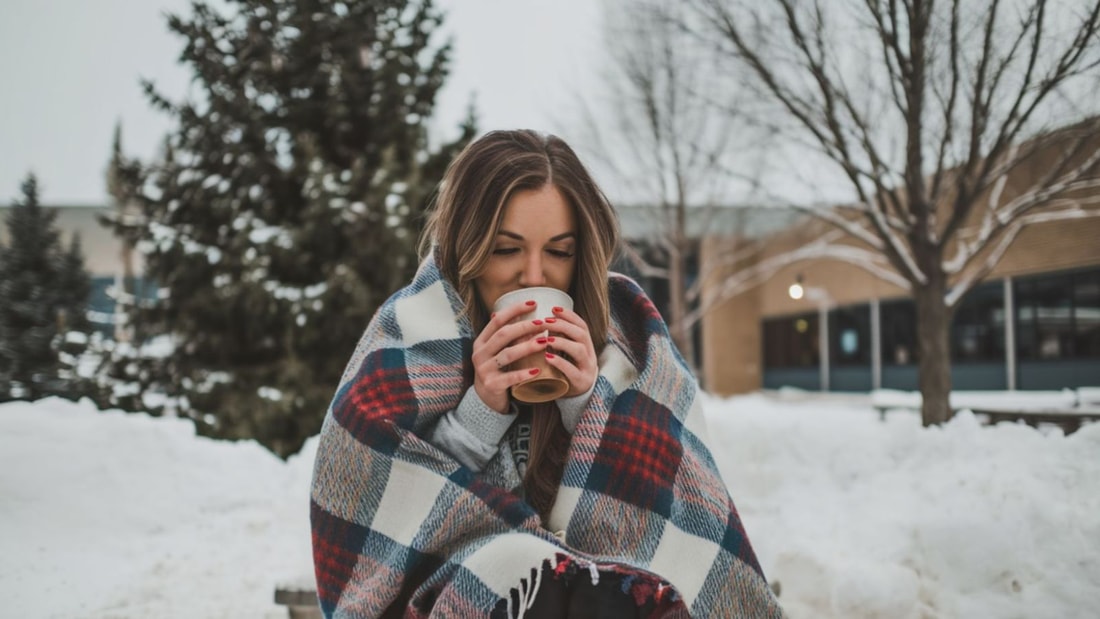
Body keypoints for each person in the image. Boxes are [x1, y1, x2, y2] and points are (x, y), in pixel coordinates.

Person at [310, 130, 783, 618]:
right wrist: (479, 413)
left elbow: (674, 510)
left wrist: (589, 405)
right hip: (458, 602)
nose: (534, 276)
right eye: (505, 249)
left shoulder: (635, 347)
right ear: (465, 248)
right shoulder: (409, 339)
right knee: (517, 565)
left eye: (559, 252)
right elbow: (385, 519)